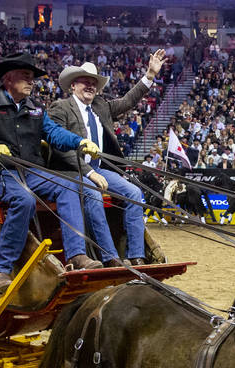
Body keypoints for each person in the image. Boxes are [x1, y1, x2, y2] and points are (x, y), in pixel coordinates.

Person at [0, 51, 110, 294]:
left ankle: (77, 255)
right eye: (26, 76)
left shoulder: (35, 108)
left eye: (32, 77)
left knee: (69, 186)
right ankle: (1, 271)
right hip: (1, 172)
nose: (31, 81)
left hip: (32, 172)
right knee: (23, 199)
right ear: (8, 79)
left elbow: (54, 133)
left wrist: (78, 142)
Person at [47, 51, 165, 267]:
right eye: (85, 82)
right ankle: (110, 257)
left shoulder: (101, 106)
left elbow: (128, 100)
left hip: (99, 169)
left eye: (94, 83)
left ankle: (137, 255)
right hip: (73, 171)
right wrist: (89, 172)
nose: (90, 86)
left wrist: (149, 75)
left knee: (134, 193)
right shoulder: (60, 107)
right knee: (93, 194)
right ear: (73, 85)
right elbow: (58, 147)